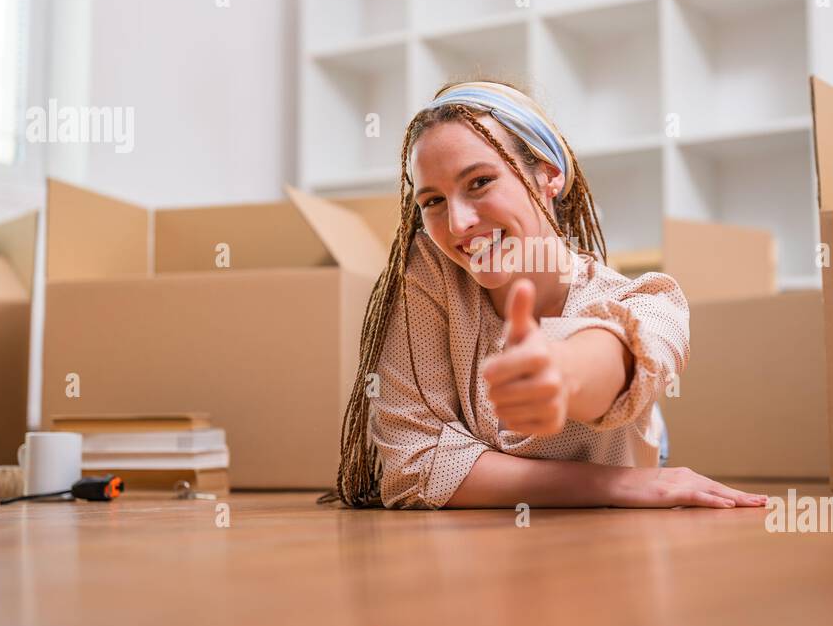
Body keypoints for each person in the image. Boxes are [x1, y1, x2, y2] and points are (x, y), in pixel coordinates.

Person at [319, 79, 769, 511]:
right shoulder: (428, 271)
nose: (457, 224)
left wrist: (563, 374)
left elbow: (630, 348)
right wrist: (623, 485)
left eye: (479, 182)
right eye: (433, 201)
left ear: (548, 175)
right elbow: (413, 465)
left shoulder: (644, 301)